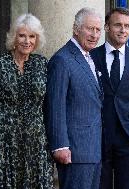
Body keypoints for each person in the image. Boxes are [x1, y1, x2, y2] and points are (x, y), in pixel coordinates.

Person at [0, 13, 55, 188]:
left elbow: (48, 106)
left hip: (36, 143)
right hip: (5, 142)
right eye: (22, 35)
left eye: (32, 36)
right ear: (14, 37)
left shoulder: (42, 64)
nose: (27, 41)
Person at [90, 7, 129, 189]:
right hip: (99, 135)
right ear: (107, 27)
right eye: (118, 25)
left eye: (127, 26)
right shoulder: (91, 56)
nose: (123, 30)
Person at [45, 7, 103, 189]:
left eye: (98, 30)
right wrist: (60, 145)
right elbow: (55, 106)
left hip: (92, 149)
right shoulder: (62, 59)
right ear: (76, 29)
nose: (94, 35)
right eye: (90, 29)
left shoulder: (88, 57)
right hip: (75, 151)